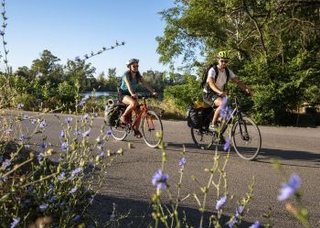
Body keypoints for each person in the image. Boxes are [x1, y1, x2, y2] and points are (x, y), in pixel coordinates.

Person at [203, 51, 253, 131]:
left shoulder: (228, 71)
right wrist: (220, 92)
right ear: (218, 60)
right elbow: (211, 84)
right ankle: (212, 125)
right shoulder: (212, 70)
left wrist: (247, 90)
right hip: (209, 94)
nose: (224, 63)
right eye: (222, 61)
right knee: (223, 103)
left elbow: (238, 82)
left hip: (219, 94)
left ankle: (219, 134)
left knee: (227, 112)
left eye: (226, 61)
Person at [118, 58, 157, 138]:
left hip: (132, 94)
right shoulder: (126, 75)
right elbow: (128, 84)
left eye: (137, 66)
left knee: (139, 112)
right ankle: (123, 116)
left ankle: (136, 130)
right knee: (133, 103)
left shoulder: (138, 75)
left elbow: (145, 84)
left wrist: (152, 91)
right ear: (129, 67)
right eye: (134, 66)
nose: (136, 67)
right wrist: (132, 93)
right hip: (123, 94)